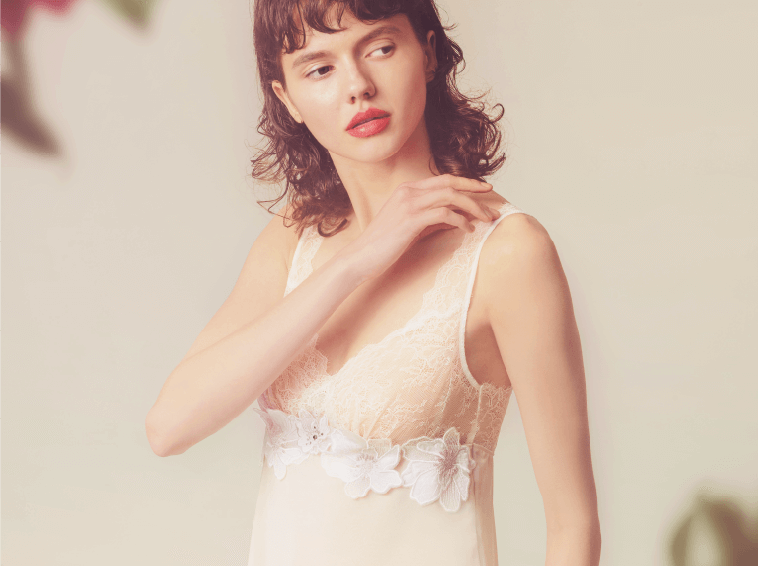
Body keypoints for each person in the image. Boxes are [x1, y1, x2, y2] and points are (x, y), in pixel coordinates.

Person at [145, 0, 601, 564]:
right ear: (287, 99)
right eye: (319, 68)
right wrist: (357, 261)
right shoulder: (294, 237)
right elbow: (169, 428)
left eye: (380, 47)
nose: (357, 86)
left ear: (428, 53)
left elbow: (573, 525)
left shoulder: (508, 253)